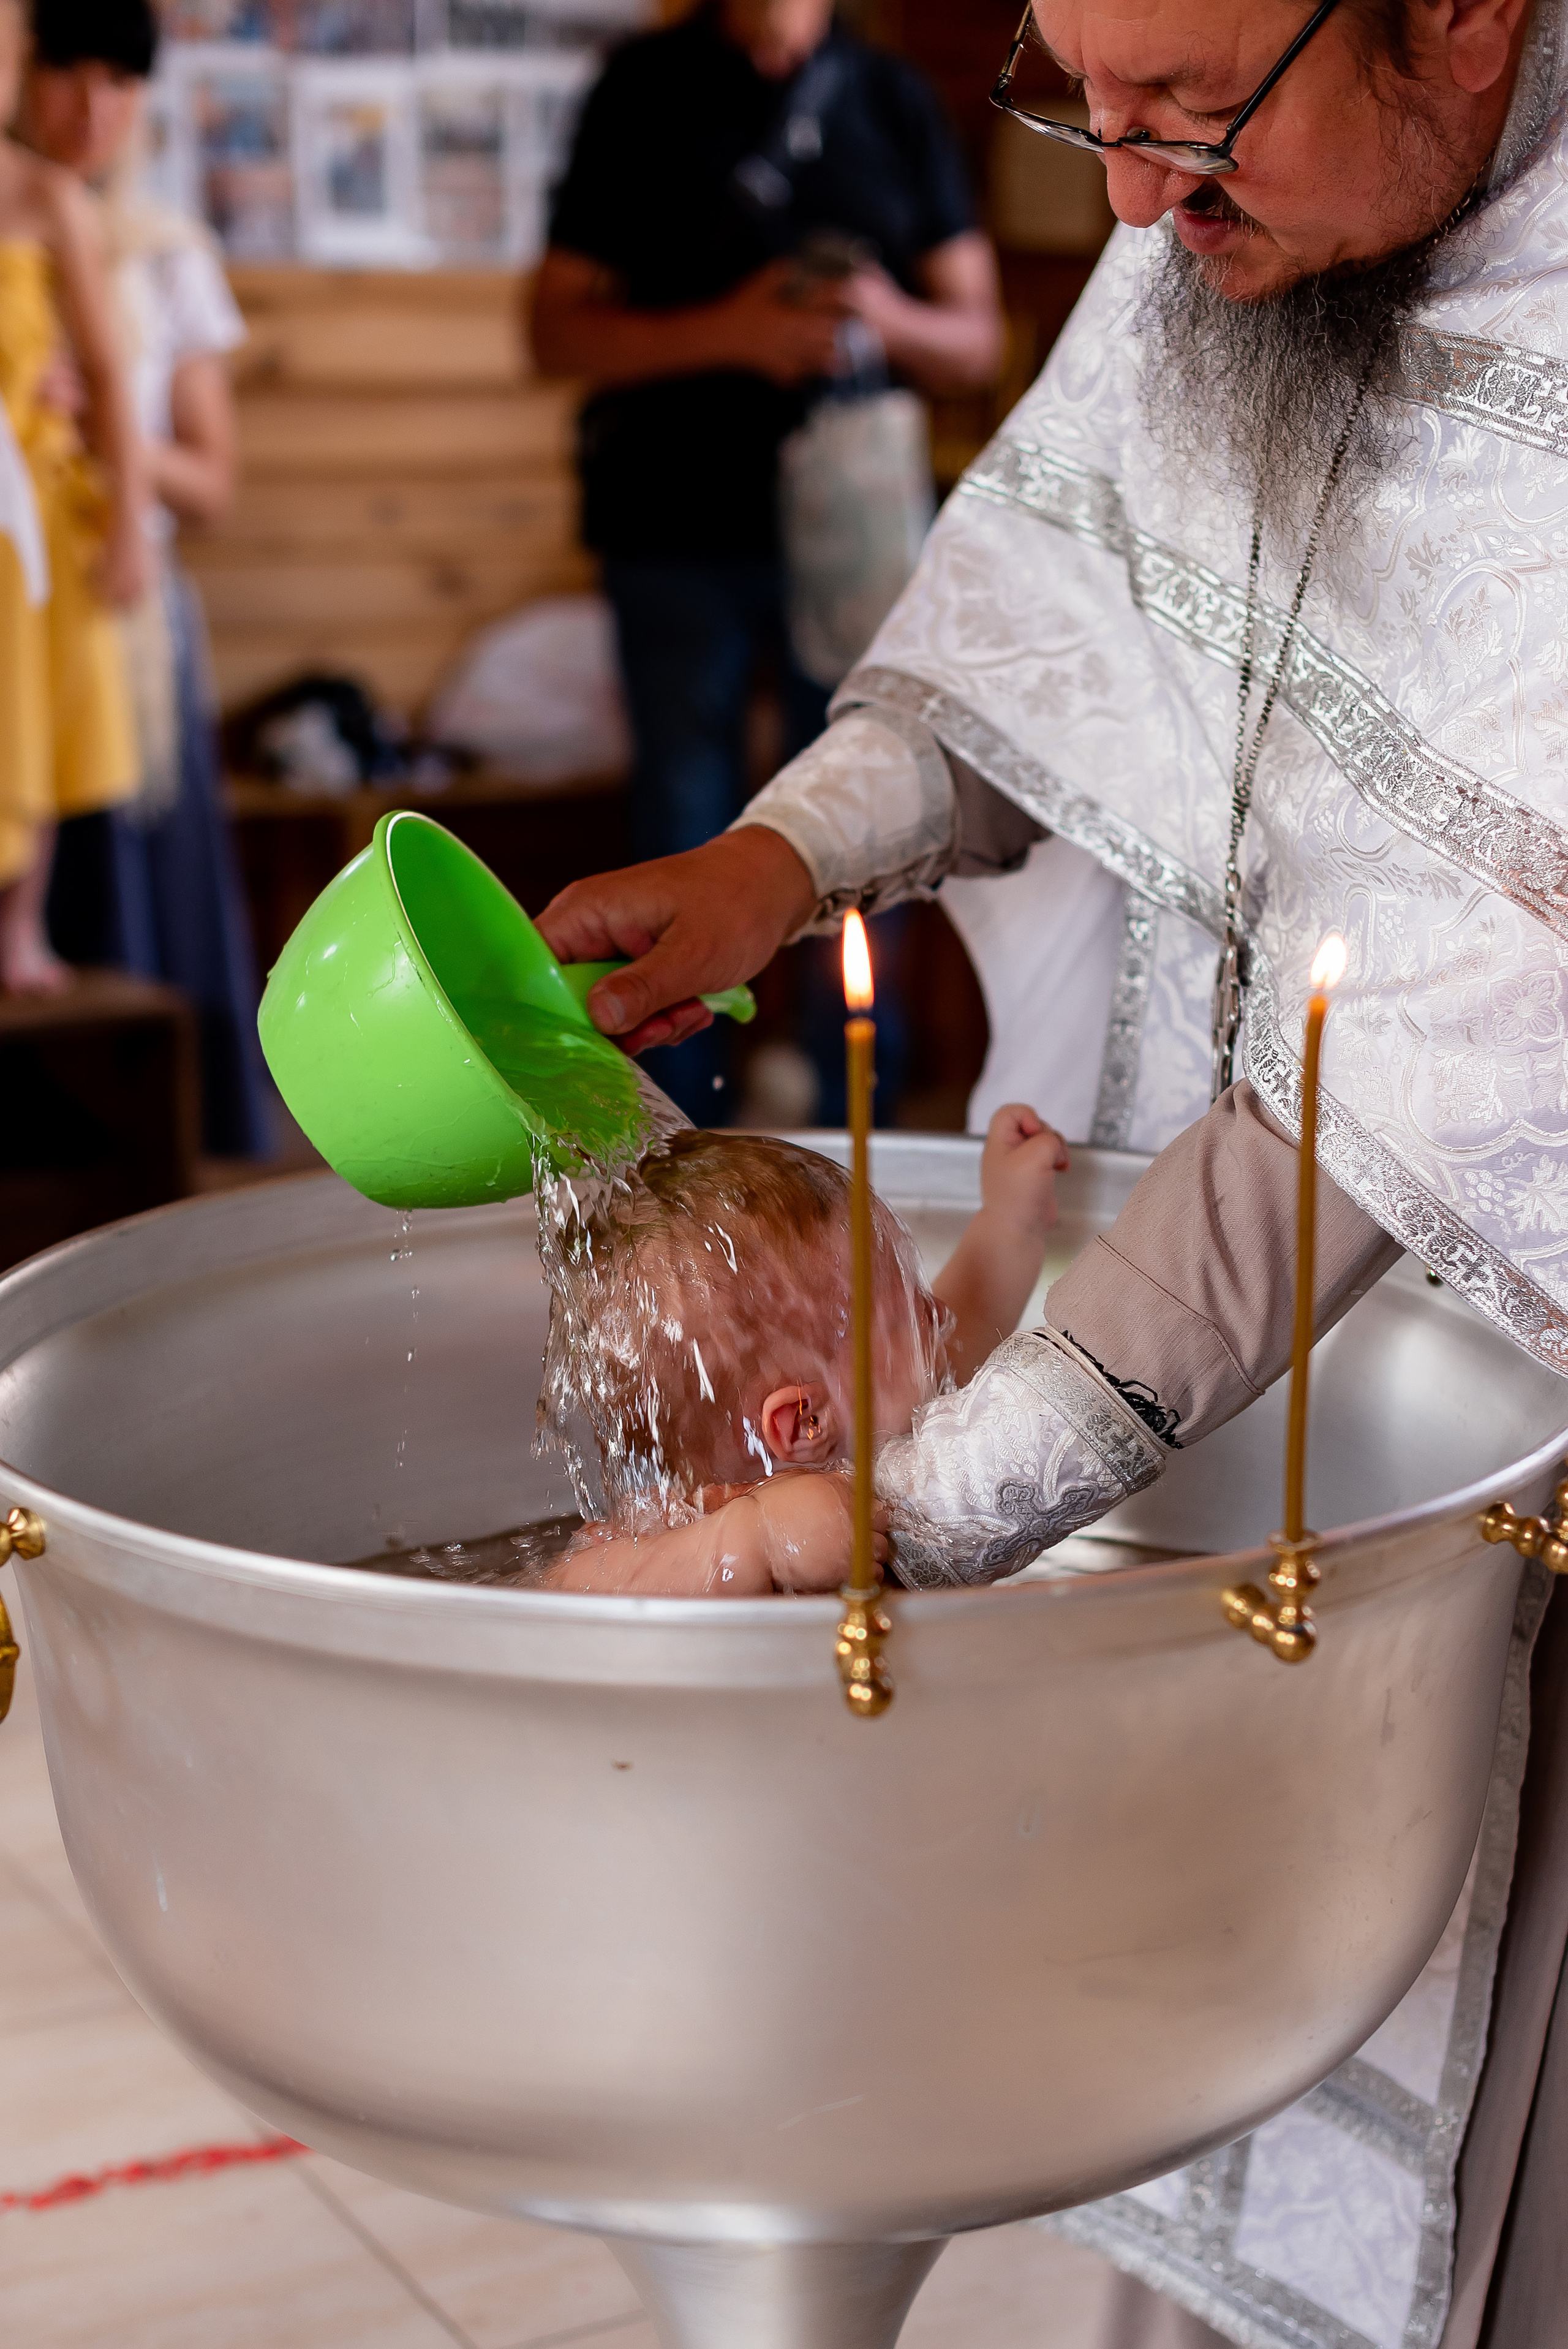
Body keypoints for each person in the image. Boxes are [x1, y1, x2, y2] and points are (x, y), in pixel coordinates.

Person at [533, 3, 1568, 2340]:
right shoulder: (1222, 180)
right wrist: (779, 863)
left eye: (1181, 117)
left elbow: (1424, 1073)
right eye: (1062, 102)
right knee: (1200, 2104)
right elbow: (1071, 623)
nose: (1118, 195)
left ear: (1460, 12)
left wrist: (875, 1515)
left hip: (1492, 1399)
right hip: (1202, 1333)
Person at [530, 0, 1003, 1122]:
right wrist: (730, 332)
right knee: (684, 828)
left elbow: (974, 339)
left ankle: (864, 1133)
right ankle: (667, 1138)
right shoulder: (641, 89)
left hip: (853, 541)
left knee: (865, 816)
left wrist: (883, 314)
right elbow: (553, 333)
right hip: (673, 534)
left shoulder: (890, 97)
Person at [25, 0, 273, 1158]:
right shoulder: (18, 224)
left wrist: (110, 430)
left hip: (127, 602)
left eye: (119, 82)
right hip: (16, 607)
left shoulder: (165, 249)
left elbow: (213, 482)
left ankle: (151, 1155)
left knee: (131, 890)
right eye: (67, 75)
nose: (92, 109)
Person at [541, 1105, 1072, 1594]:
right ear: (805, 1423)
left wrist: (1009, 1222)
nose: (934, 1312)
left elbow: (967, 1326)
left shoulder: (897, 1446)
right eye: (896, 1320)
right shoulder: (679, 1525)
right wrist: (758, 1543)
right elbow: (567, 1588)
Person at [0, 0, 145, 995]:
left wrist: (132, 517)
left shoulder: (48, 199)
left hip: (35, 514)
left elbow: (107, 369)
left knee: (39, 707)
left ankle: (21, 927)